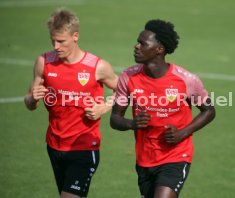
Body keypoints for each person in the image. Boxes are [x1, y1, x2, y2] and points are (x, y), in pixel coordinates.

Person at [110, 19, 216, 198]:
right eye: (137, 42)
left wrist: (183, 132)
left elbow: (209, 110)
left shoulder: (186, 80)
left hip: (176, 155)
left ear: (159, 49)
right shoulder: (128, 77)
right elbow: (115, 119)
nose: (136, 46)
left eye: (142, 43)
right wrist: (132, 123)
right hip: (145, 157)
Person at [24, 8, 118, 198]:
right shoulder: (44, 62)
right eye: (53, 41)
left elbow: (125, 91)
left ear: (75, 36)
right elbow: (29, 103)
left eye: (61, 41)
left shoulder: (97, 66)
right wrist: (33, 98)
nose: (56, 46)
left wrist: (105, 107)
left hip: (84, 147)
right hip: (54, 145)